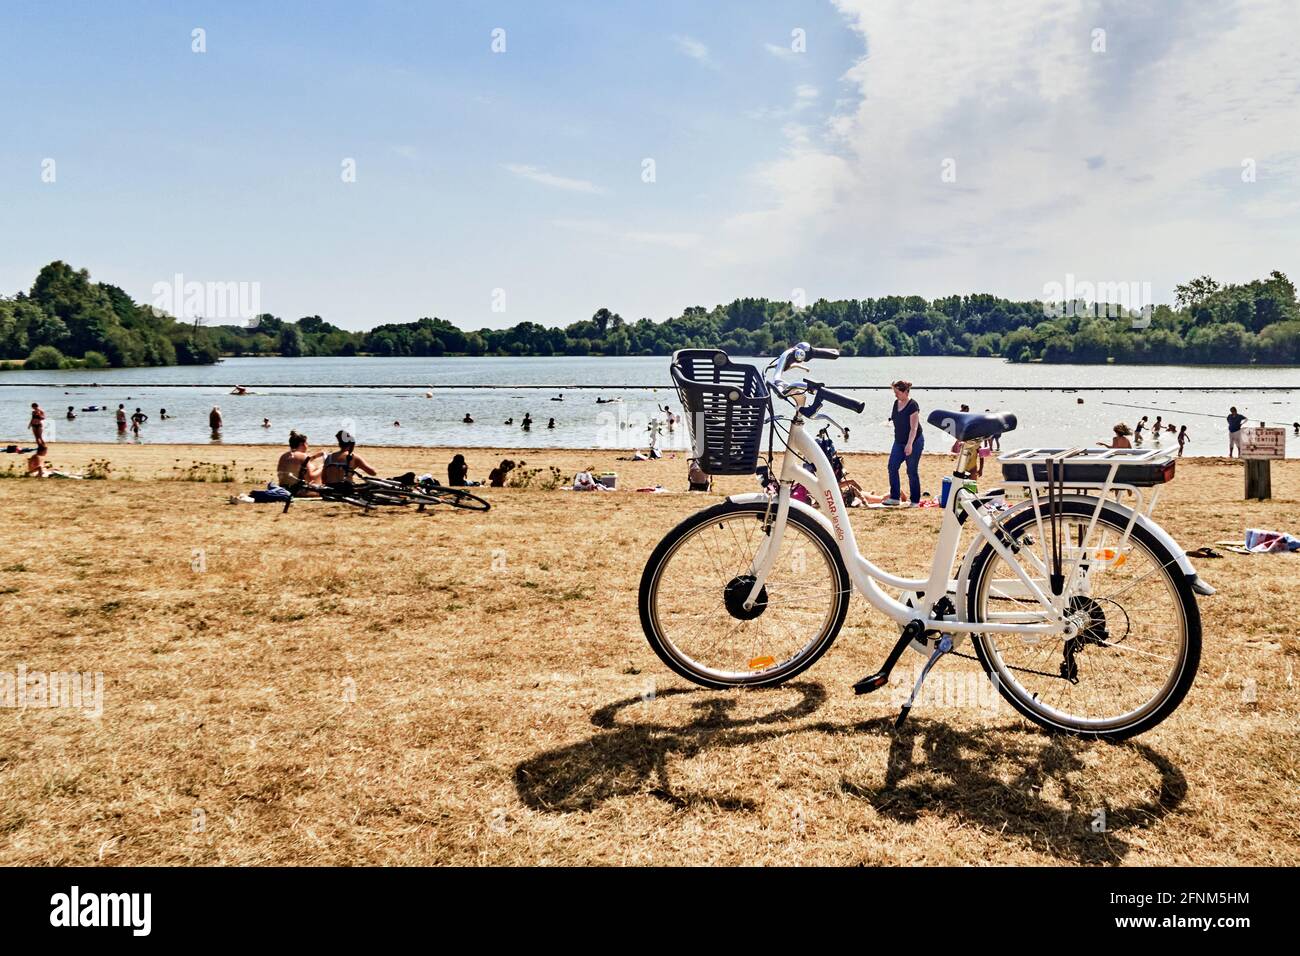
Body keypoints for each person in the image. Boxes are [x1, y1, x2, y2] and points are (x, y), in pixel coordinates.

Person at [884, 380, 923, 507]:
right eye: (894, 392)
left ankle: (915, 501)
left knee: (911, 471)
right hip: (898, 442)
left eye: (897, 392)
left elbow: (914, 428)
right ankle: (895, 497)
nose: (895, 395)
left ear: (906, 391)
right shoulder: (896, 403)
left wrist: (909, 444)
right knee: (892, 466)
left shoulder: (913, 405)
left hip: (914, 441)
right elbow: (895, 419)